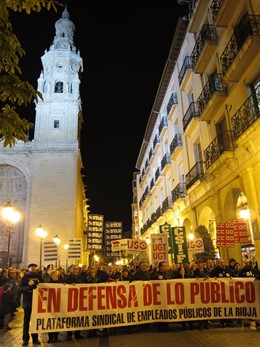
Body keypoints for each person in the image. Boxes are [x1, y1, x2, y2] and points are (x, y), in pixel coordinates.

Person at [18, 263, 43, 346]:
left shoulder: (39, 276)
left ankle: (35, 338)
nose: (33, 269)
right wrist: (29, 288)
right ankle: (25, 339)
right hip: (27, 302)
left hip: (36, 302)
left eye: (35, 267)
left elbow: (44, 286)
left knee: (35, 321)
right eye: (31, 267)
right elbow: (20, 289)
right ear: (28, 268)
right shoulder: (25, 277)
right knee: (26, 321)